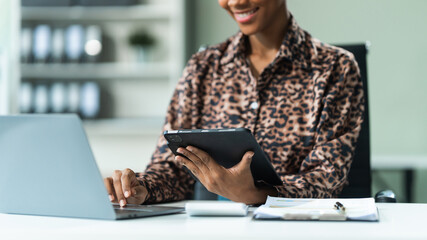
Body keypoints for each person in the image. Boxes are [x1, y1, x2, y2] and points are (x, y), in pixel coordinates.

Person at [104, 0, 364, 206]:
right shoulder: (203, 67)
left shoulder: (335, 68)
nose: (236, 2)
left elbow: (326, 178)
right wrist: (140, 188)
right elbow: (174, 167)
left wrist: (254, 194)